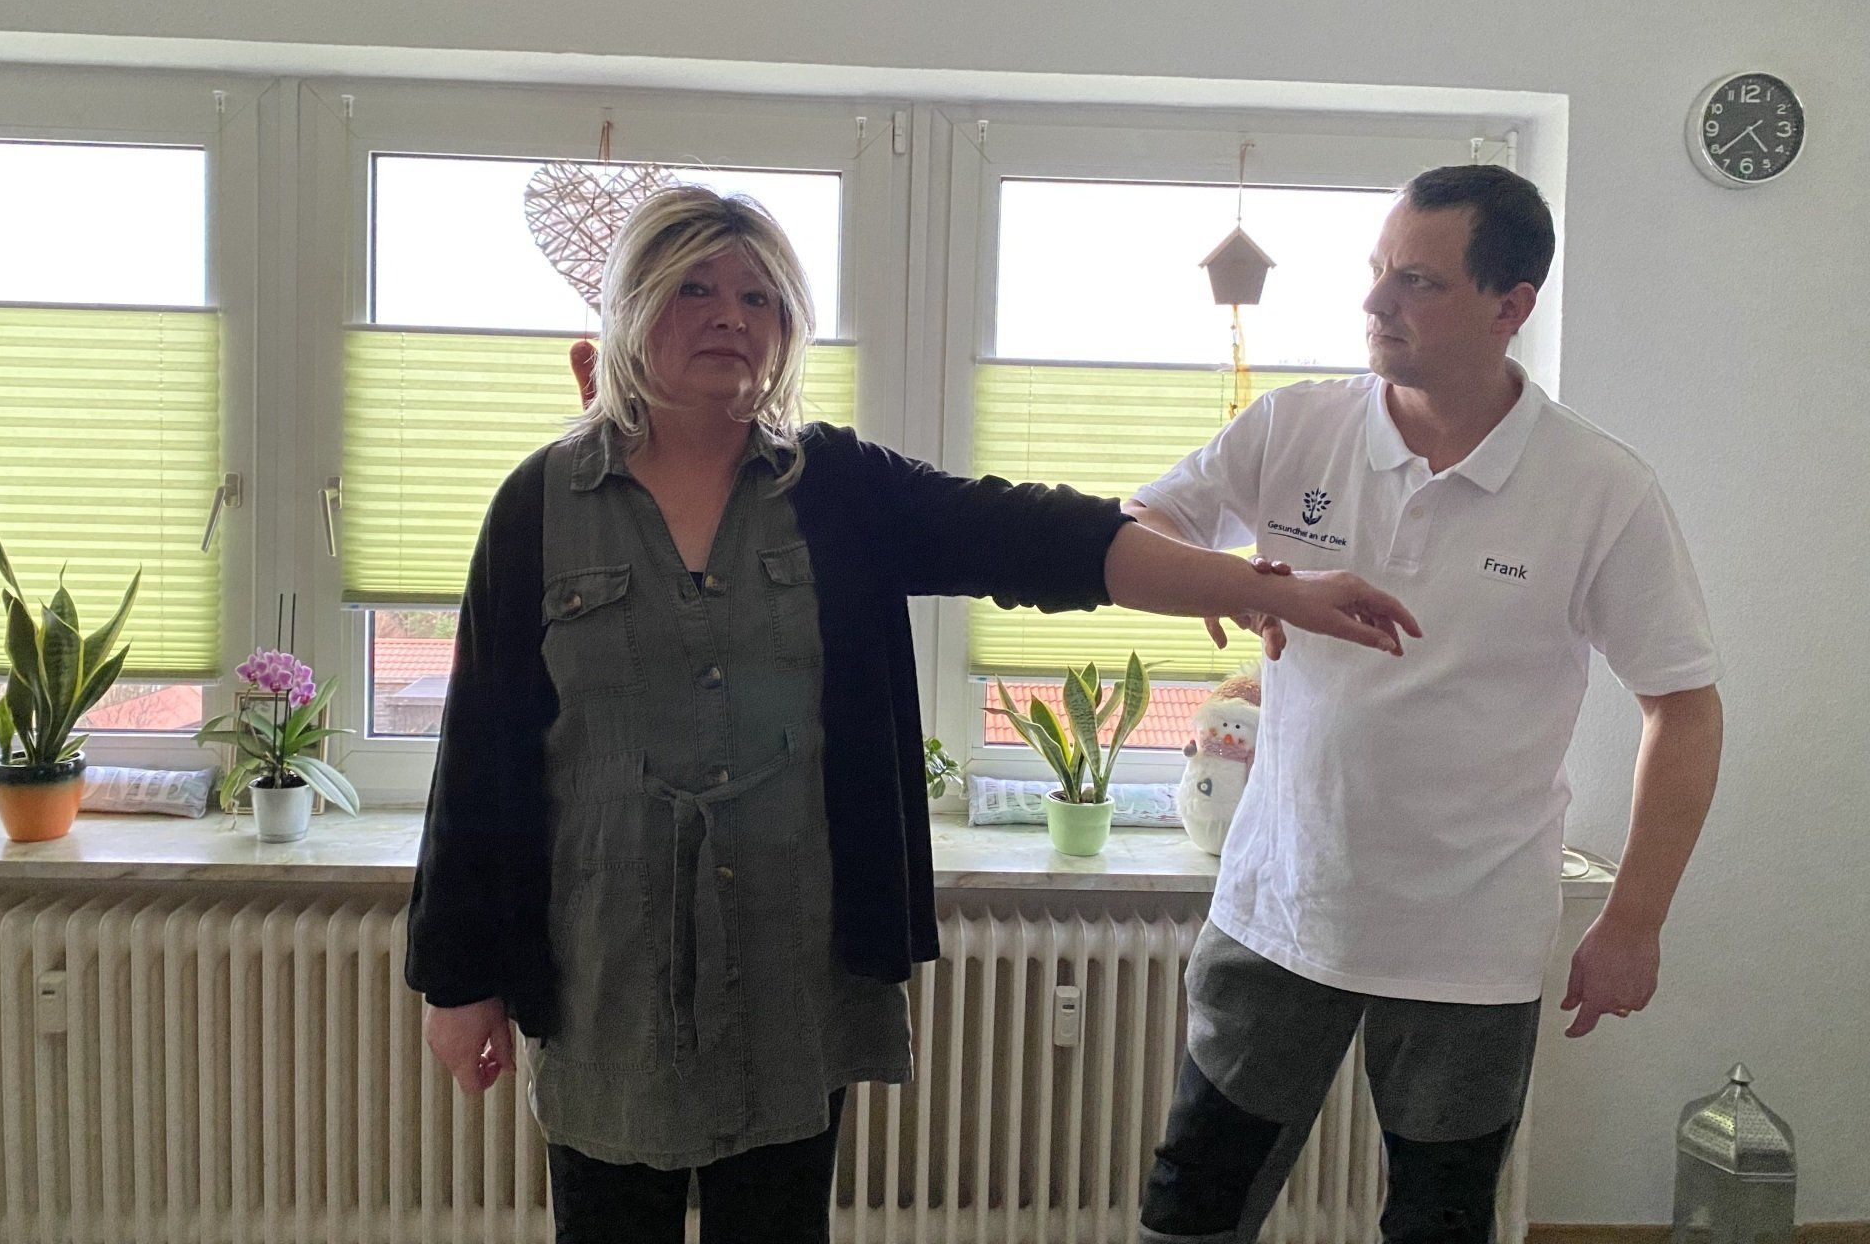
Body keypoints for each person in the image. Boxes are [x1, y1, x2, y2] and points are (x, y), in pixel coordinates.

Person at [404, 184, 1422, 1244]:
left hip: (793, 972)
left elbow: (1040, 538)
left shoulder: (838, 488)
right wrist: (459, 981)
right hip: (602, 970)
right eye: (694, 289)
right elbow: (479, 758)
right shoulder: (538, 506)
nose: (730, 317)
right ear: (630, 308)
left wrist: (1256, 586)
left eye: (760, 297)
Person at [1128, 165, 1724, 1244]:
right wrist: (1235, 580)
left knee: (1440, 1225)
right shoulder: (1294, 427)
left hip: (1471, 941)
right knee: (1192, 1208)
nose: (1374, 301)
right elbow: (1145, 524)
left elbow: (1683, 706)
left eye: (1417, 281)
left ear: (1510, 306)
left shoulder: (1599, 487)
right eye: (1376, 270)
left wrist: (1635, 920)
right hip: (1280, 913)